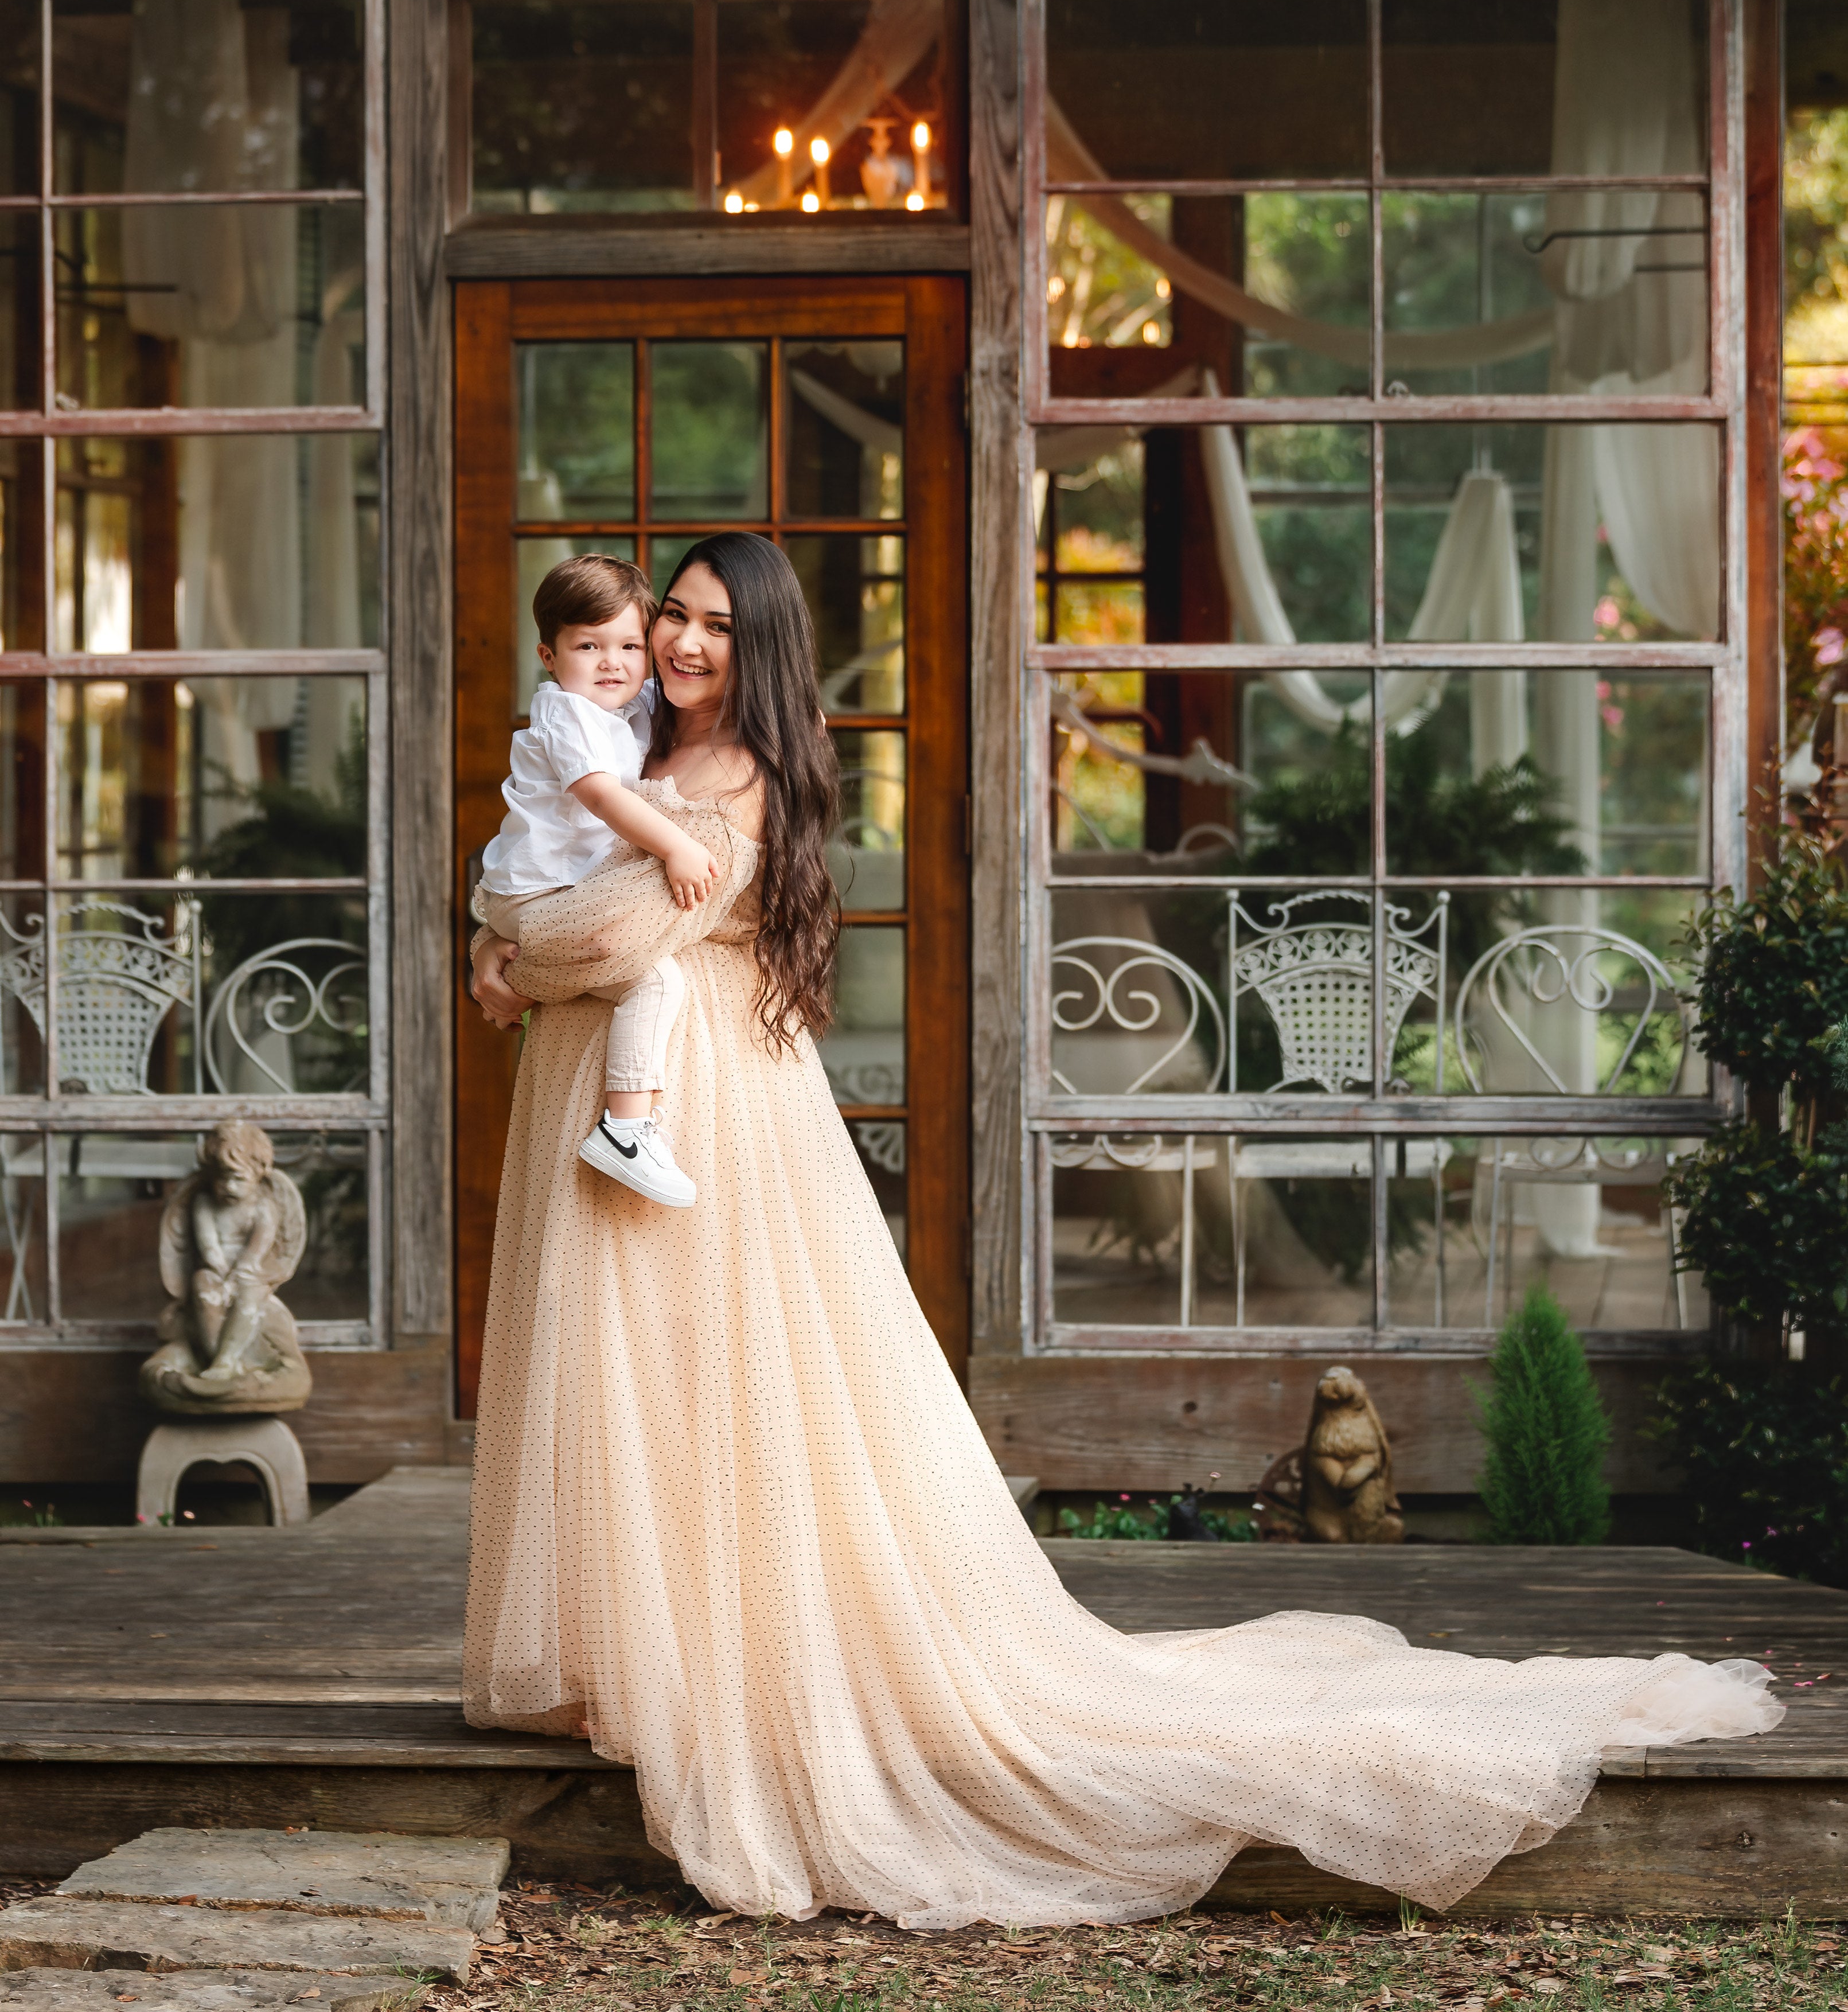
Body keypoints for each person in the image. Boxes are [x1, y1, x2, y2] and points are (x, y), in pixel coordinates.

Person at [463, 533, 1779, 1933]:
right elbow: (551, 883)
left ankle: (732, 1674)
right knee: (627, 1380)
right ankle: (634, 1659)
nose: (680, 641)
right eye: (671, 613)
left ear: (766, 647)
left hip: (710, 1110)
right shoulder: (609, 743)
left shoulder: (735, 775)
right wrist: (503, 925)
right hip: (621, 1092)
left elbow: (601, 938)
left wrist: (503, 949)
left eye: (716, 625)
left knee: (715, 1380)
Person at [475, 554, 718, 1208]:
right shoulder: (565, 714)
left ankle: (626, 1120)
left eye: (630, 646)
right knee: (658, 980)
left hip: (554, 896)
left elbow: (694, 690)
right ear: (549, 656)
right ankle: (627, 1128)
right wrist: (677, 846)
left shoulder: (621, 699)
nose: (613, 662)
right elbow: (602, 797)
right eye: (589, 645)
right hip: (538, 895)